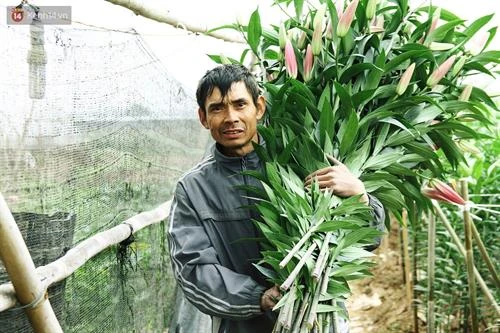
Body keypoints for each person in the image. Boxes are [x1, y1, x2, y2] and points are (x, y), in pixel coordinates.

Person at [167, 64, 385, 333]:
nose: (231, 117)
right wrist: (256, 296)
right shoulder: (193, 188)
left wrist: (361, 196)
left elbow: (369, 240)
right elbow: (193, 271)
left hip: (317, 322)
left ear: (259, 107)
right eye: (217, 108)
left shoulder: (301, 160)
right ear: (203, 117)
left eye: (240, 104)